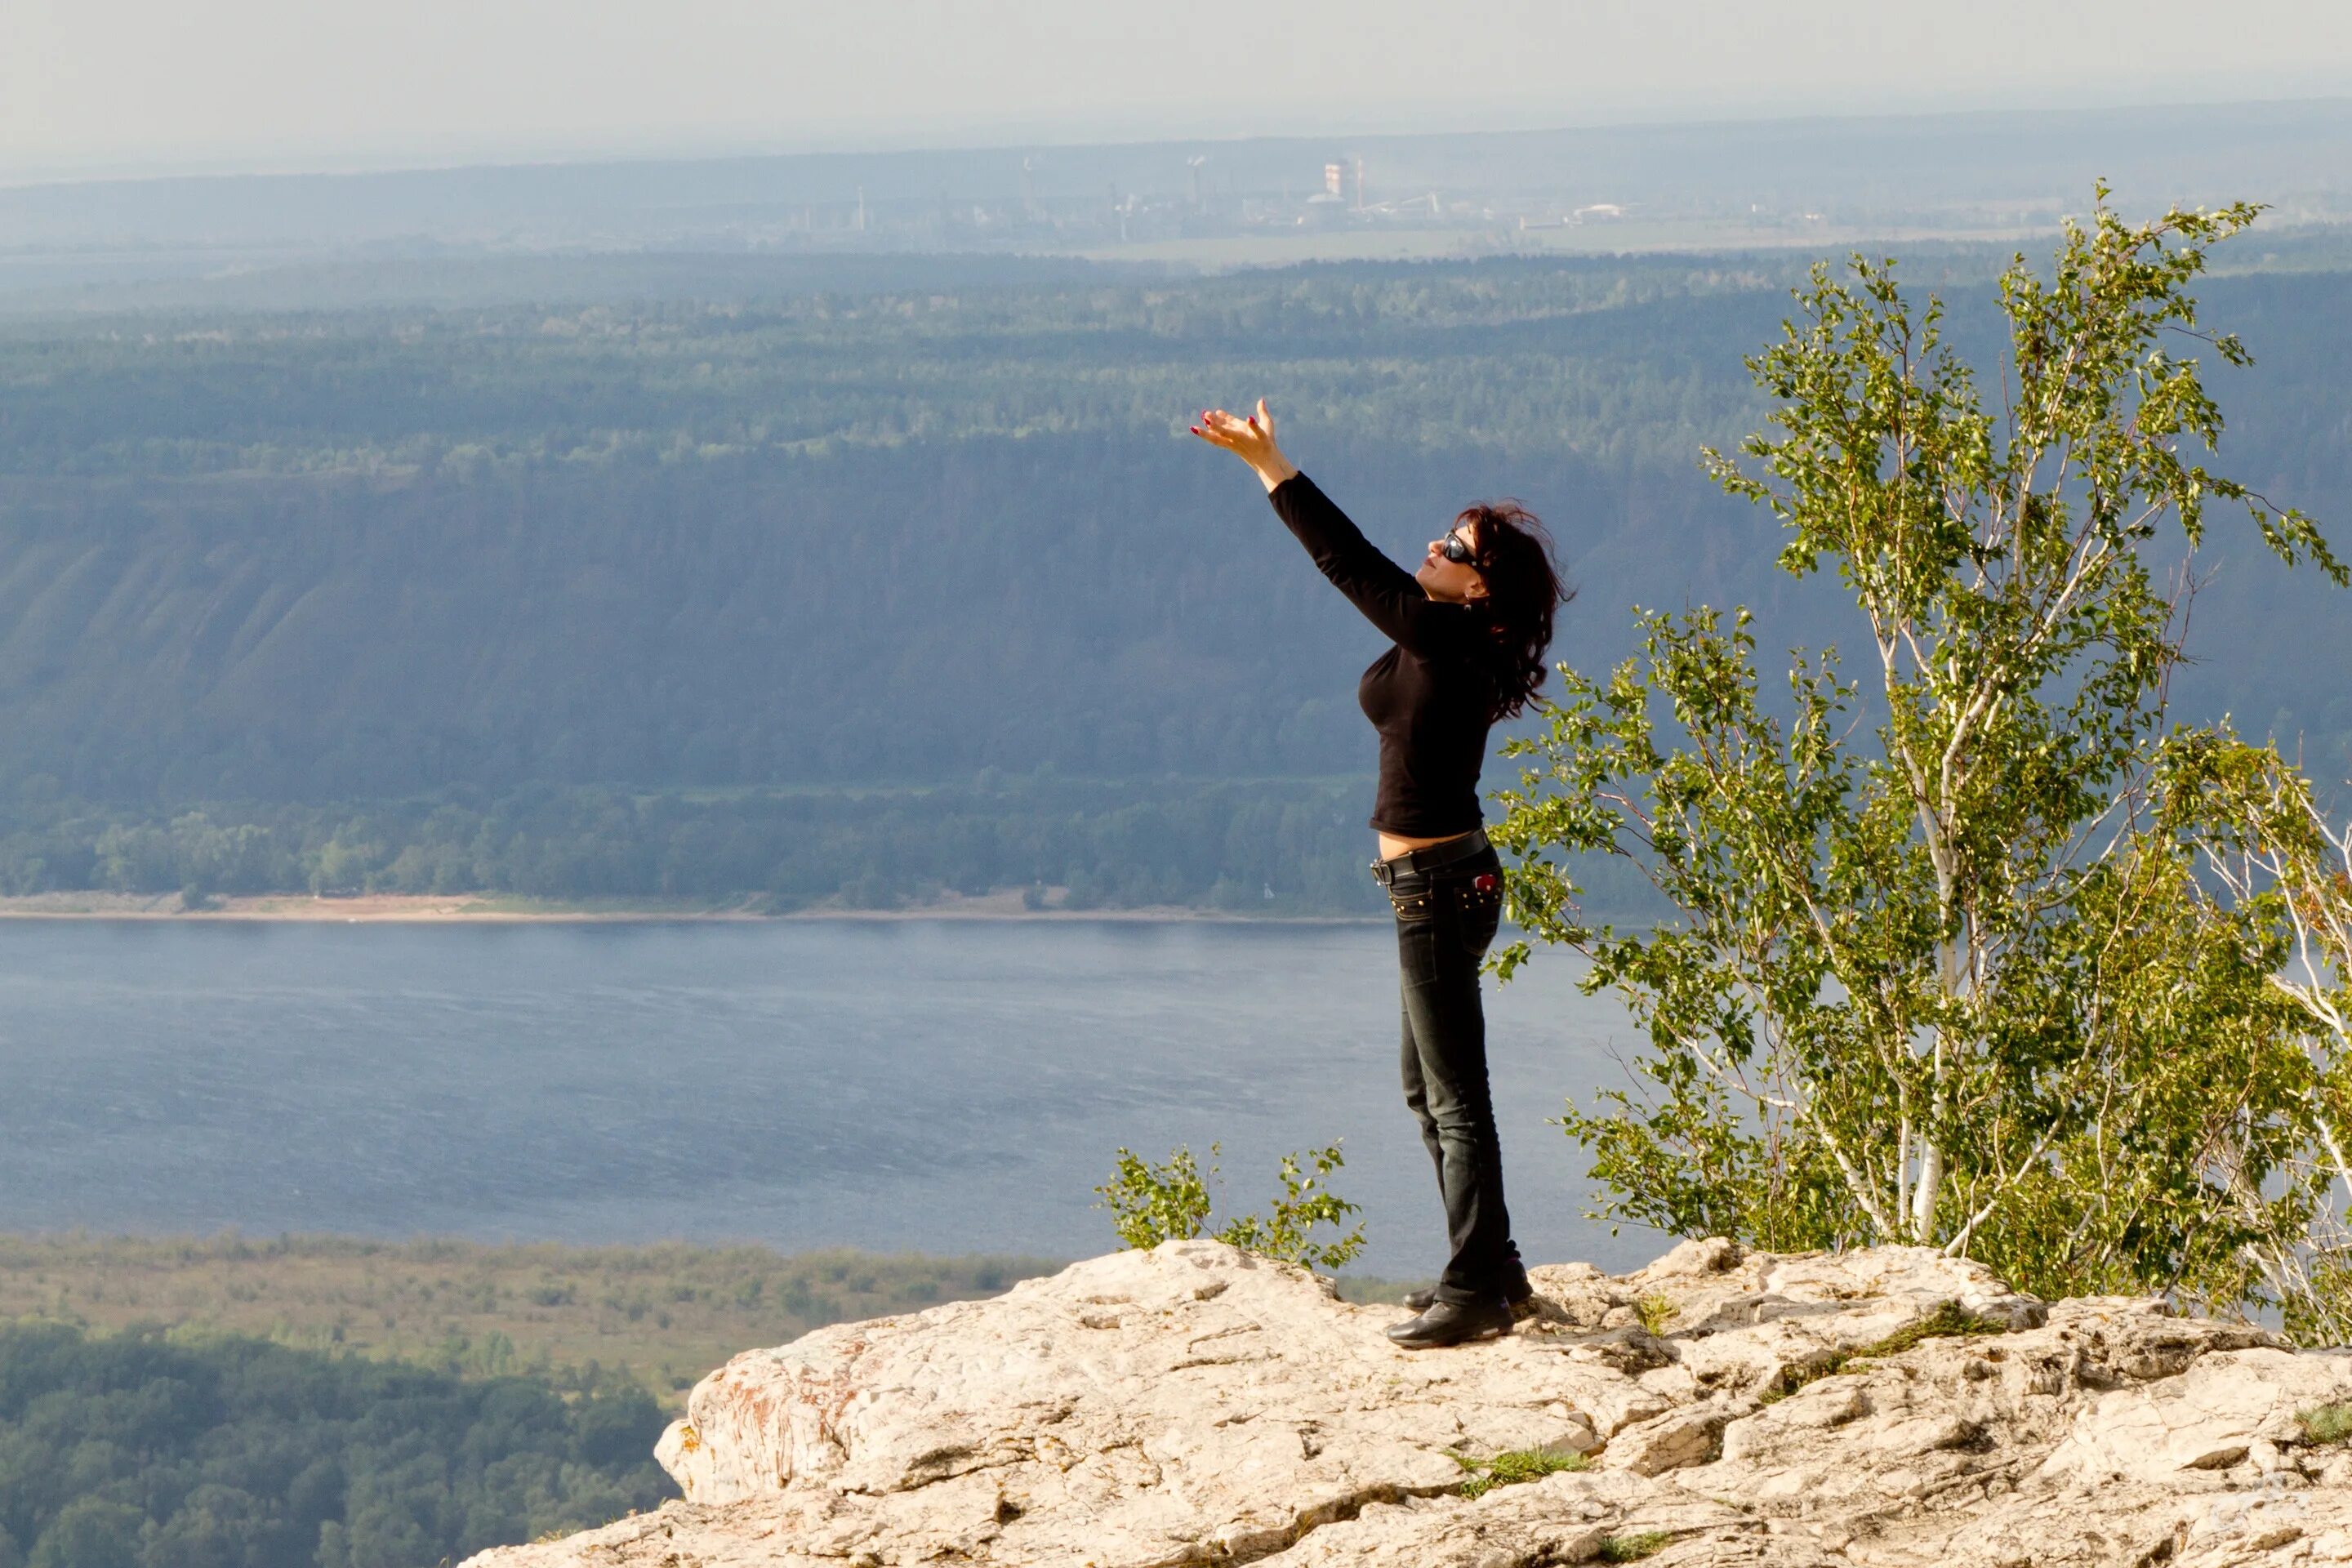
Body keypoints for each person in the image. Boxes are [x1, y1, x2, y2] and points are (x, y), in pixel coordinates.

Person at [1192, 398, 1566, 1349]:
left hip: (1439, 889)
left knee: (1454, 1097)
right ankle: (1498, 1269)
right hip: (1438, 885)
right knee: (1427, 1090)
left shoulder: (1451, 640)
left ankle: (1475, 1287)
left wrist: (1272, 467)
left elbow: (1345, 560)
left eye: (1456, 545)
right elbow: (1378, 581)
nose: (1434, 546)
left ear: (1480, 589)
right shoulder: (1442, 635)